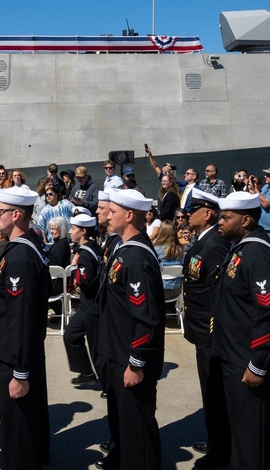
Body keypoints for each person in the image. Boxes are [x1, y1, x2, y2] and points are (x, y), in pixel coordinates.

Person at [211, 191, 270, 470]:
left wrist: (258, 365)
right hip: (236, 357)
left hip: (250, 362)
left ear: (245, 220)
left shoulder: (258, 255)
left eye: (226, 217)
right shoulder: (242, 248)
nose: (220, 221)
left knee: (252, 439)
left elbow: (269, 313)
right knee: (241, 437)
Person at [96, 187, 164, 470]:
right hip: (116, 352)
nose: (107, 216)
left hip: (130, 358)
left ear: (130, 215)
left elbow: (146, 317)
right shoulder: (123, 249)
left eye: (113, 212)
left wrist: (136, 364)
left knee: (138, 433)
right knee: (124, 428)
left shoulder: (136, 258)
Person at [0, 186, 51, 470]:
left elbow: (22, 318)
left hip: (12, 359)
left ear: (15, 215)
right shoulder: (23, 248)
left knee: (18, 432)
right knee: (22, 426)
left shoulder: (20, 257)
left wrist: (20, 373)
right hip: (14, 355)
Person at [180, 188, 231, 469]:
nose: (188, 215)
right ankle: (216, 441)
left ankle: (221, 450)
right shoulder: (204, 240)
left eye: (193, 210)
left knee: (215, 394)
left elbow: (217, 296)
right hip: (202, 331)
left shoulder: (215, 245)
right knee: (210, 391)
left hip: (211, 333)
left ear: (208, 213)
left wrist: (213, 332)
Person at [63, 209, 104, 385]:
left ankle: (107, 384)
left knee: (97, 347)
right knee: (71, 335)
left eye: (73, 228)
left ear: (83, 231)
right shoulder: (92, 247)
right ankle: (86, 372)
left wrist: (73, 267)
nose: (70, 231)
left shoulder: (86, 253)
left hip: (92, 306)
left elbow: (85, 281)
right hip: (88, 305)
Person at [151, 218, 183, 298]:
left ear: (161, 232)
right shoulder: (180, 250)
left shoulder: (155, 250)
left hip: (158, 291)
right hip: (176, 290)